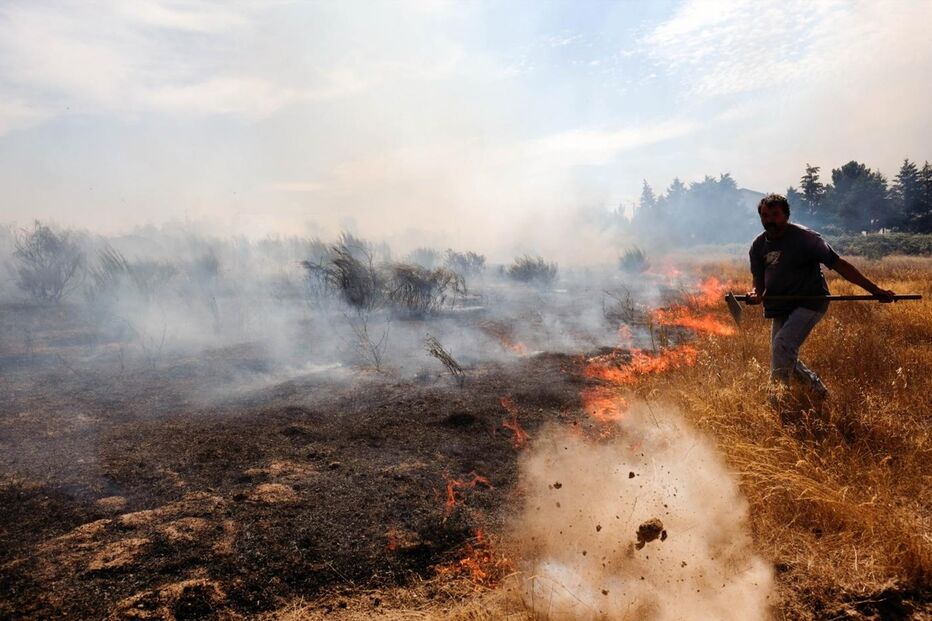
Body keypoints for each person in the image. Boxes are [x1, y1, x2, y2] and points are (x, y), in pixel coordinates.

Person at [747, 194, 895, 405]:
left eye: (775, 215)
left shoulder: (806, 239)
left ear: (786, 215)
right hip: (780, 306)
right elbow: (758, 281)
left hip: (810, 302)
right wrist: (756, 294)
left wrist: (875, 290)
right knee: (783, 352)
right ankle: (818, 390)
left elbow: (840, 265)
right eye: (765, 215)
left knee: (781, 345)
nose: (769, 220)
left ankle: (777, 403)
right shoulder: (758, 245)